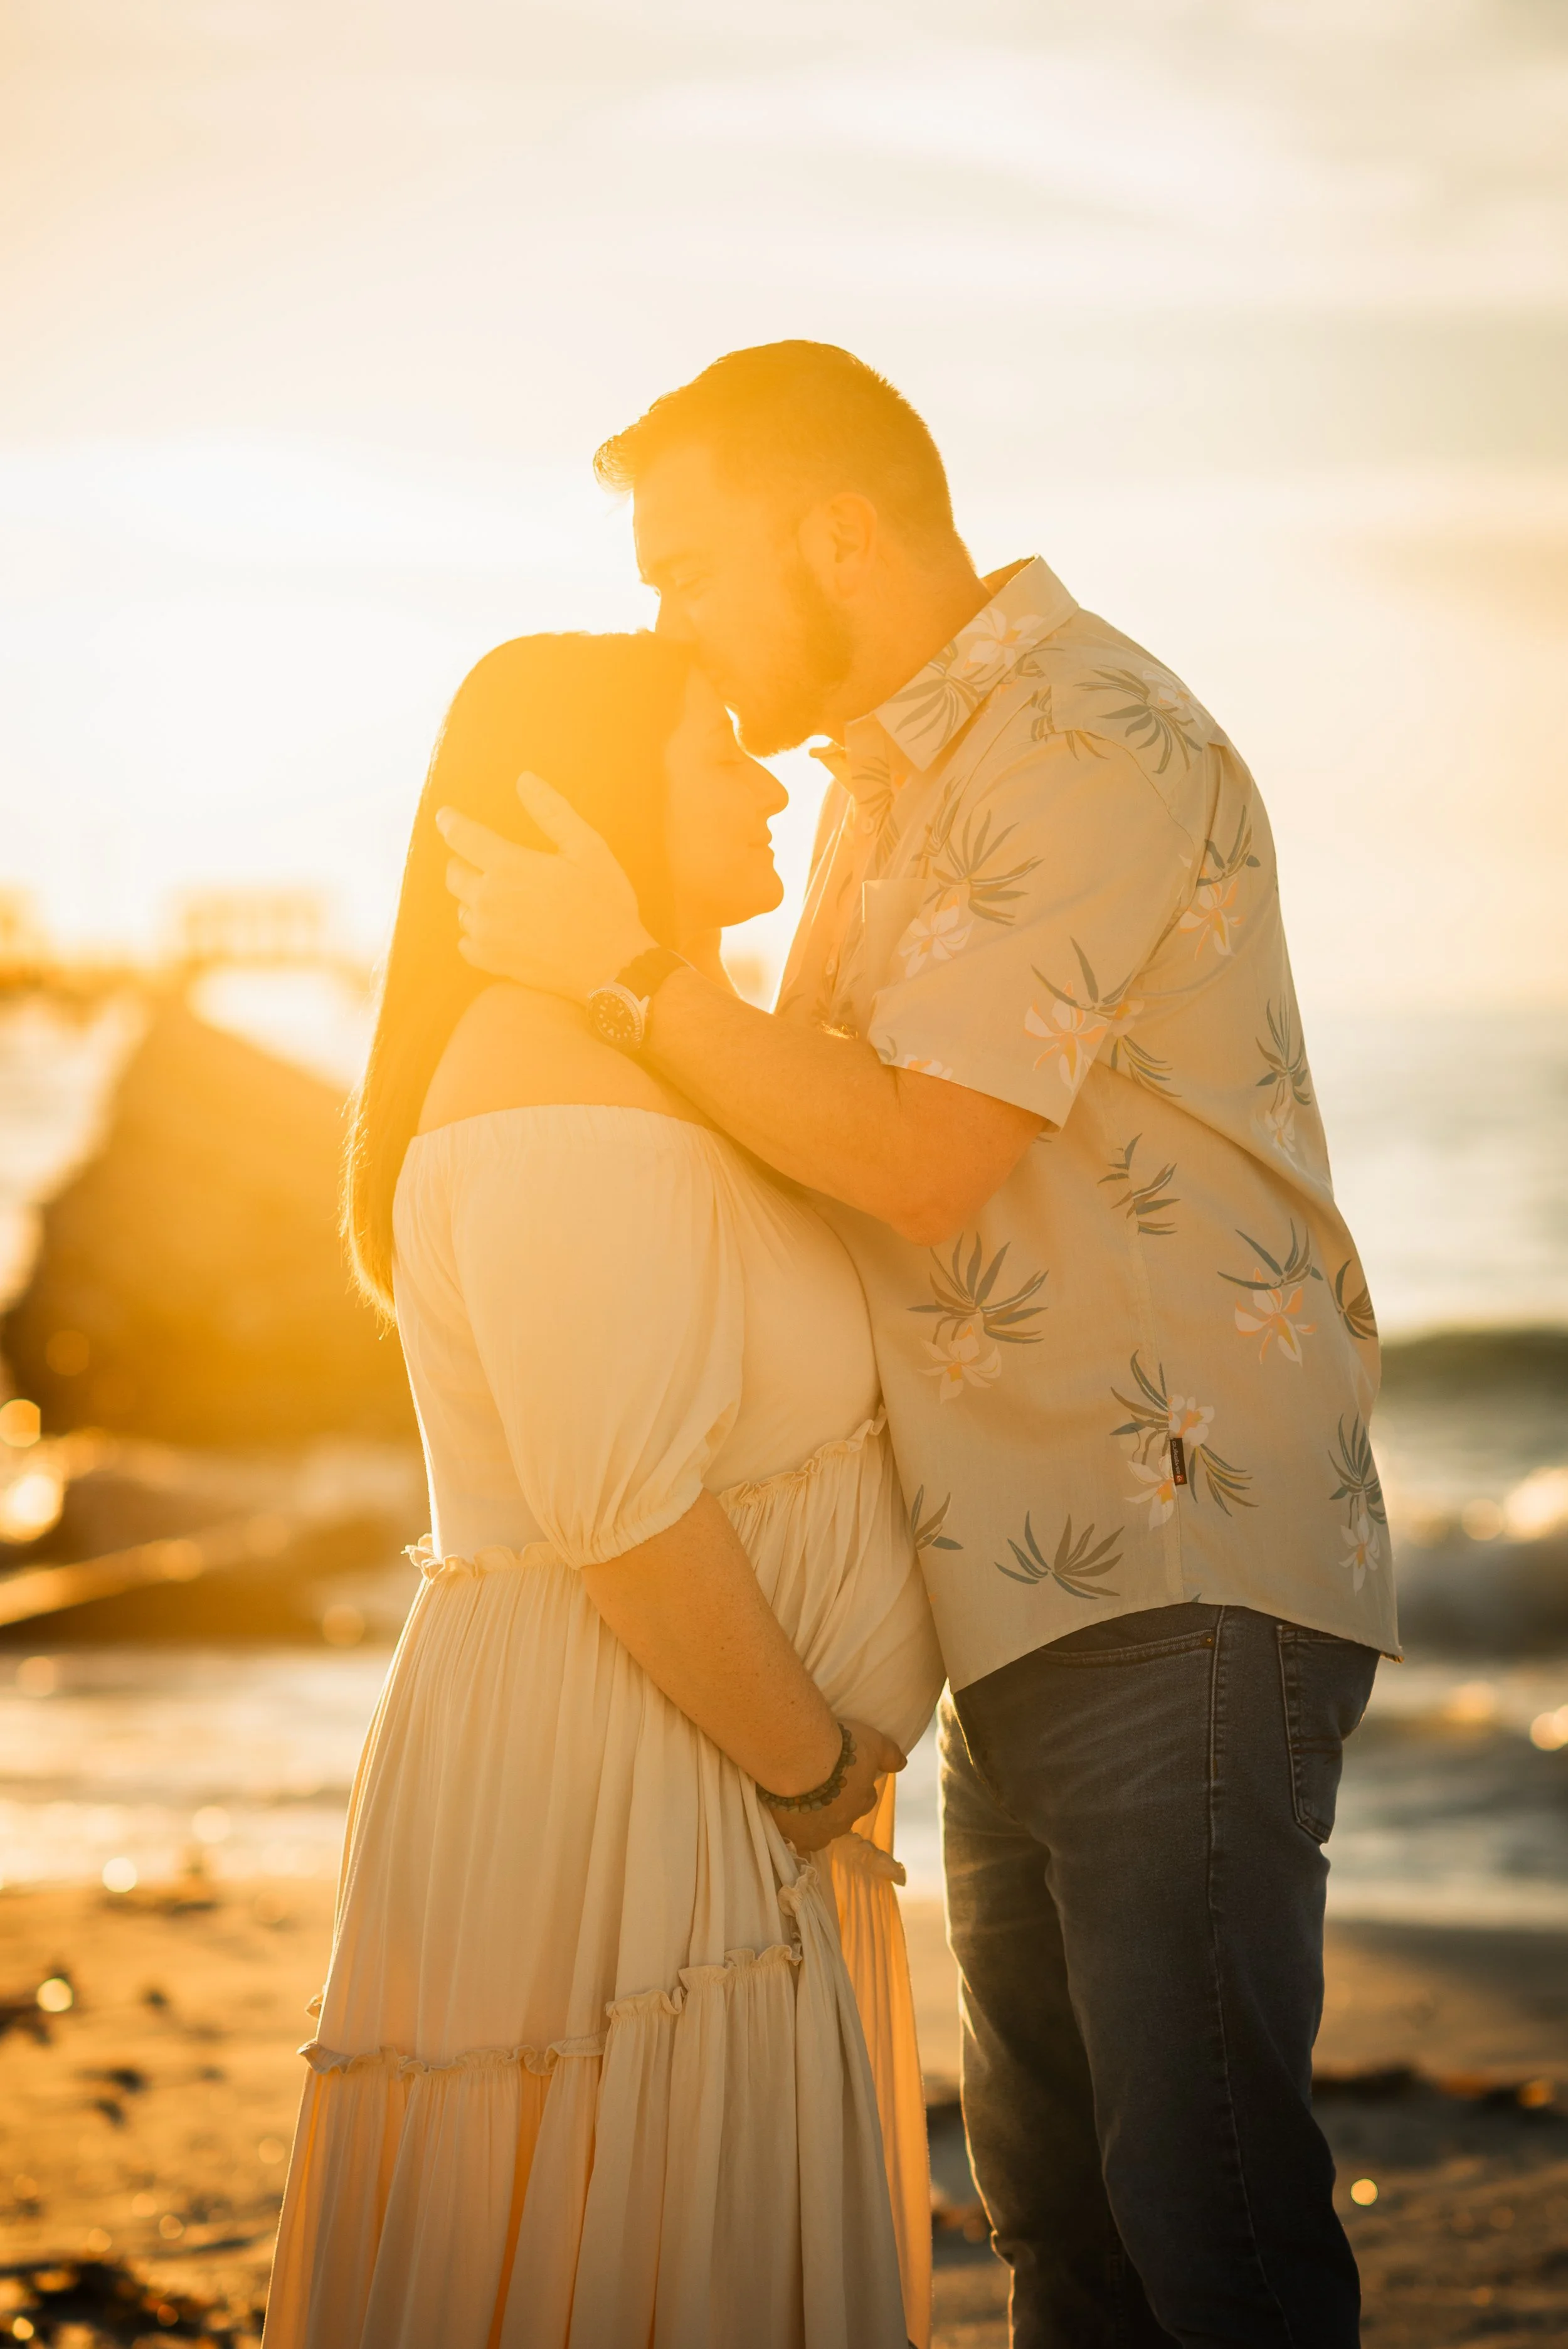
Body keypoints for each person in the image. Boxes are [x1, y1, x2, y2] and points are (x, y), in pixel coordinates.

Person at [440, 341, 1401, 2348]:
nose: (667, 621)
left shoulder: (1083, 739)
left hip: (1172, 1558)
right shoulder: (894, 777)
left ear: (839, 533)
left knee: (1202, 2218)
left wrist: (616, 979)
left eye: (689, 567)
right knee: (1065, 2226)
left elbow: (917, 1158)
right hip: (1028, 1601)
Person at [263, 630, 945, 2349]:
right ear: (586, 804)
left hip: (684, 1759)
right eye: (716, 752)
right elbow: (622, 1510)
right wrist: (803, 1772)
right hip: (651, 1773)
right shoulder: (556, 1093)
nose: (770, 775)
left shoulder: (621, 1065)